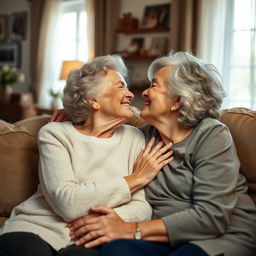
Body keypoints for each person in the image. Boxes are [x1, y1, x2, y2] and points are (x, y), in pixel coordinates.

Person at [66, 52, 256, 256]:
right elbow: (102, 130)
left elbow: (213, 217)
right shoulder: (142, 136)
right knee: (116, 250)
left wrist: (130, 229)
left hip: (220, 237)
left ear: (177, 100)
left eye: (154, 85)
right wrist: (74, 116)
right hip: (164, 239)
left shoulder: (211, 134)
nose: (144, 93)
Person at [0, 55, 174, 256]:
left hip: (94, 233)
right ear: (94, 100)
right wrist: (135, 179)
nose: (130, 95)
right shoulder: (55, 133)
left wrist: (104, 221)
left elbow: (142, 207)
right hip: (37, 226)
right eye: (120, 87)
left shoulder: (135, 138)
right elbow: (68, 202)